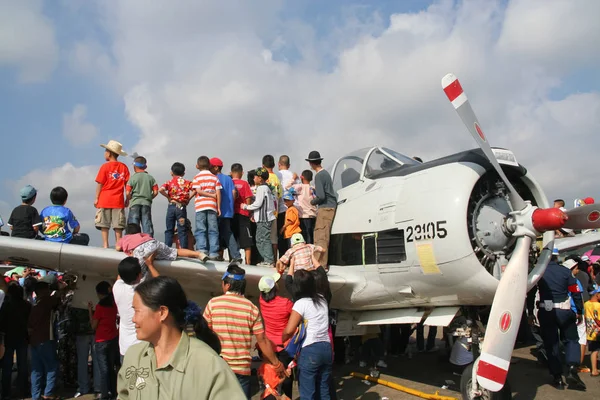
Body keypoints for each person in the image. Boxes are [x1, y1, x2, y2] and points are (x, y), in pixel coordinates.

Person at [117, 276, 245, 399]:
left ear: (162, 313)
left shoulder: (208, 365)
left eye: (137, 311)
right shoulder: (134, 357)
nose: (133, 319)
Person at [203, 264, 285, 399]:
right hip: (242, 370)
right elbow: (262, 340)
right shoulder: (251, 308)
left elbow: (204, 334)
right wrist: (276, 363)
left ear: (227, 285)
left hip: (219, 368)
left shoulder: (213, 304)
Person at [533, 256, 586, 390]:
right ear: (556, 259)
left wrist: (529, 313)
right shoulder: (565, 271)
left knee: (551, 344)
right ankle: (572, 368)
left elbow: (531, 292)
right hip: (564, 311)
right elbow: (575, 292)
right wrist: (579, 310)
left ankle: (557, 378)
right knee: (572, 340)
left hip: (546, 311)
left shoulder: (538, 272)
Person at [283, 269, 332, 399]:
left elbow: (289, 330)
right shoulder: (322, 300)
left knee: (307, 393)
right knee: (324, 390)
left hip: (310, 349)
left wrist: (283, 338)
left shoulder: (301, 304)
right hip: (326, 348)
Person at [113, 255, 159, 362]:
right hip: (140, 347)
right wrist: (150, 265)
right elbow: (160, 282)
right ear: (139, 275)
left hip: (124, 347)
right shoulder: (142, 293)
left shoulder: (117, 287)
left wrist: (128, 262)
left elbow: (120, 276)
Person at [28, 274, 67, 400]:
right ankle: (48, 393)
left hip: (34, 341)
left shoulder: (34, 304)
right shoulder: (46, 301)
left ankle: (35, 395)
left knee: (36, 370)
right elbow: (57, 297)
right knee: (52, 367)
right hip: (46, 339)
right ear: (44, 291)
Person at [258, 272, 293, 399]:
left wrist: (278, 272)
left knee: (271, 379)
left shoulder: (261, 301)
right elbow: (296, 317)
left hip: (268, 348)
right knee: (286, 378)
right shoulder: (286, 303)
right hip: (285, 347)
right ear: (276, 288)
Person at [117, 224, 208, 271]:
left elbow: (117, 247)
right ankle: (198, 254)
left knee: (138, 272)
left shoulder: (125, 238)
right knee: (175, 251)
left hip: (141, 249)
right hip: (154, 243)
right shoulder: (142, 235)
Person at [95, 140, 130, 248]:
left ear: (109, 153)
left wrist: (96, 198)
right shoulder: (124, 167)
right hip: (118, 200)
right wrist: (127, 198)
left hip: (104, 199)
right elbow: (127, 185)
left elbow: (100, 184)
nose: (104, 153)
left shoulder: (104, 167)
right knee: (118, 224)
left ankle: (105, 244)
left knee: (104, 224)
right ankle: (118, 244)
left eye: (106, 151)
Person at [306, 151, 338, 268]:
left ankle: (320, 265)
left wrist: (312, 201)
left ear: (311, 163)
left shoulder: (319, 175)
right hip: (330, 207)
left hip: (325, 208)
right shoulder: (325, 174)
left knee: (320, 237)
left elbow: (321, 196)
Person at [89, 281, 119, 400]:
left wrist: (89, 312)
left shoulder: (99, 307)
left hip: (101, 340)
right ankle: (114, 392)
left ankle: (105, 394)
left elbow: (93, 326)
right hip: (113, 339)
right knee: (111, 368)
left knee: (103, 370)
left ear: (99, 294)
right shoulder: (113, 305)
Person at [0, 283, 31, 399]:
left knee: (7, 367)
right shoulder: (27, 305)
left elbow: (1, 323)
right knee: (22, 366)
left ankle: (5, 392)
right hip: (23, 338)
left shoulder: (6, 305)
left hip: (8, 338)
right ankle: (23, 390)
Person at [242, 168, 277, 267]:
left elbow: (258, 203)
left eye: (256, 176)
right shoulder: (268, 188)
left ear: (260, 178)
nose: (254, 178)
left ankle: (269, 260)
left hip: (263, 218)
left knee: (263, 239)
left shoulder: (262, 188)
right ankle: (266, 259)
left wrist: (246, 207)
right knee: (260, 239)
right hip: (265, 217)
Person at [210, 157, 242, 262]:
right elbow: (234, 193)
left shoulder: (213, 178)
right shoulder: (228, 179)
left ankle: (215, 254)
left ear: (215, 167)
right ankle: (236, 256)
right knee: (228, 233)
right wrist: (230, 205)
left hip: (216, 210)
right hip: (228, 211)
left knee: (214, 232)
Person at [192, 156, 222, 260]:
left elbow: (198, 191)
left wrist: (209, 195)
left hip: (200, 206)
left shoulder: (196, 177)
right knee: (213, 230)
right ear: (209, 165)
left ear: (197, 166)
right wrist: (218, 207)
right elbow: (218, 192)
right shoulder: (214, 177)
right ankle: (213, 252)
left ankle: (202, 250)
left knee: (201, 229)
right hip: (212, 206)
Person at [159, 162, 194, 249]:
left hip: (172, 206)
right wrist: (188, 198)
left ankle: (167, 249)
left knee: (169, 229)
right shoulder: (187, 183)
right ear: (183, 173)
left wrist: (168, 197)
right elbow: (196, 189)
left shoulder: (169, 182)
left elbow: (161, 190)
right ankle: (184, 250)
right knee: (182, 229)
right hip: (181, 208)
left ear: (171, 172)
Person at [126, 156, 158, 237]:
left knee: (133, 223)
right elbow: (155, 191)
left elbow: (127, 192)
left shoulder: (132, 178)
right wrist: (149, 197)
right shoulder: (151, 178)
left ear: (134, 166)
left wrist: (130, 198)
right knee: (146, 222)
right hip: (146, 203)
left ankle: (133, 240)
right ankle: (149, 240)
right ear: (145, 167)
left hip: (134, 203)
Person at [231, 163, 254, 264]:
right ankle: (248, 262)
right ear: (242, 173)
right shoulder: (245, 184)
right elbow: (248, 198)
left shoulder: (229, 182)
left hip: (231, 214)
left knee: (232, 238)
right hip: (243, 214)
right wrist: (249, 211)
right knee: (246, 241)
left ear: (231, 173)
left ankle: (233, 260)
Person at [288, 170, 317, 244]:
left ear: (302, 177)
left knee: (305, 237)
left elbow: (288, 188)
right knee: (311, 236)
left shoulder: (300, 187)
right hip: (313, 216)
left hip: (304, 216)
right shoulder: (313, 188)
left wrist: (293, 179)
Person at [263, 155, 283, 257]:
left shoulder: (263, 178)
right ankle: (275, 258)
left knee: (264, 237)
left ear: (263, 166)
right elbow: (280, 195)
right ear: (274, 165)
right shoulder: (276, 178)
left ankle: (267, 258)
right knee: (274, 238)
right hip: (275, 211)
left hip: (264, 212)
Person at [585, 287, 600, 376]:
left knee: (594, 351)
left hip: (590, 332)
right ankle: (594, 370)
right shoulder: (598, 306)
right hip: (597, 332)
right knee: (595, 351)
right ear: (597, 294)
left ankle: (594, 369)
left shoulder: (586, 304)